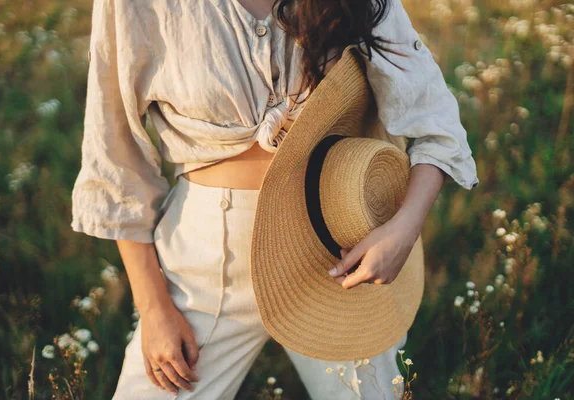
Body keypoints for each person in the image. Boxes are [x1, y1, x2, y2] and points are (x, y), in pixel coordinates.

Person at [70, 0, 479, 398]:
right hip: (210, 263)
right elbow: (117, 159)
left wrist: (404, 229)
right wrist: (154, 308)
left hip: (336, 250)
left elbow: (435, 121)